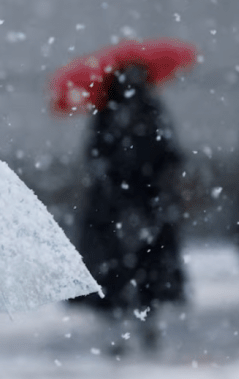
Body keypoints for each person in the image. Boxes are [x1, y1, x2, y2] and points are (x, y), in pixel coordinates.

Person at [72, 64, 187, 354]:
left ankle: (140, 326)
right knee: (121, 269)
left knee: (142, 268)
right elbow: (96, 155)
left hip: (141, 200)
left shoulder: (145, 113)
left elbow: (168, 154)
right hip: (119, 204)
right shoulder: (116, 114)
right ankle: (123, 330)